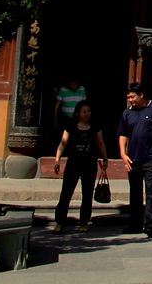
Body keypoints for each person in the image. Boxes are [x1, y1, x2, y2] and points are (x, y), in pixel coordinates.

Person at [118, 82, 152, 237]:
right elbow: (122, 134)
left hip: (151, 156)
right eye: (128, 98)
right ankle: (135, 223)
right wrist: (123, 154)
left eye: (132, 97)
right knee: (135, 191)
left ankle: (149, 225)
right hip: (133, 158)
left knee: (151, 190)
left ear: (141, 95)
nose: (130, 100)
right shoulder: (127, 113)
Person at [52, 100, 108, 233]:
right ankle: (60, 222)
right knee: (66, 193)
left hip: (89, 163)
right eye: (84, 111)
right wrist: (57, 159)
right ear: (78, 113)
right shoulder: (71, 126)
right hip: (73, 163)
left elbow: (100, 143)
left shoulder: (95, 126)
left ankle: (84, 222)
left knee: (87, 193)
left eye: (88, 111)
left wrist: (105, 158)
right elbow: (63, 143)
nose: (86, 114)